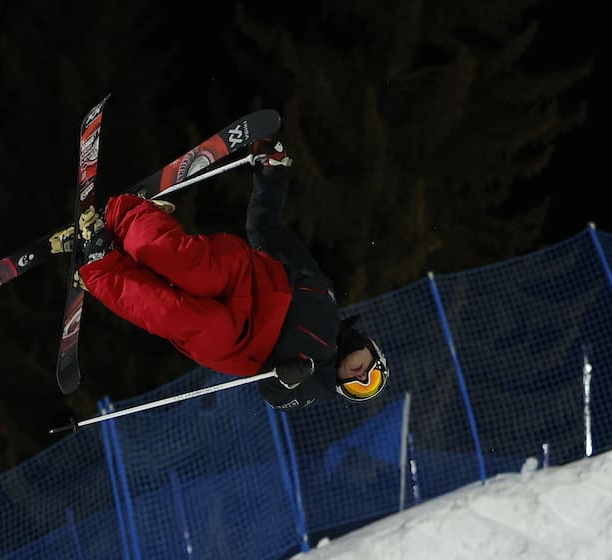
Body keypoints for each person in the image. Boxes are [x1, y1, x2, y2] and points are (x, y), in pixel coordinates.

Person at [74, 139, 387, 409]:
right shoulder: (325, 296)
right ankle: (125, 215)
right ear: (370, 348)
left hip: (242, 344)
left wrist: (289, 382)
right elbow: (266, 229)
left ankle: (102, 265)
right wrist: (273, 171)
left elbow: (276, 396)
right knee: (189, 267)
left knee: (182, 317)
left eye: (361, 388)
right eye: (372, 373)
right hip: (252, 278)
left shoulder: (317, 381)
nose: (362, 376)